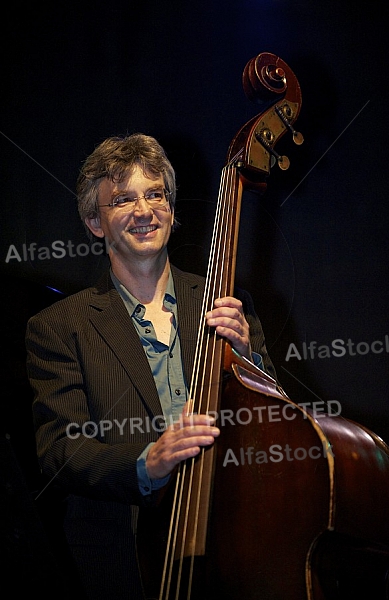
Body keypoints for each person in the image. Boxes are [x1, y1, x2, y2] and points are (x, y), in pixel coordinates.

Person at [25, 133, 276, 600]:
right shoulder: (58, 327)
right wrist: (149, 461)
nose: (144, 211)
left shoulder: (226, 302)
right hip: (123, 558)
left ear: (172, 210)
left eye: (155, 194)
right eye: (122, 199)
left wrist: (249, 357)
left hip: (235, 537)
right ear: (94, 223)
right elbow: (60, 452)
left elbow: (277, 420)